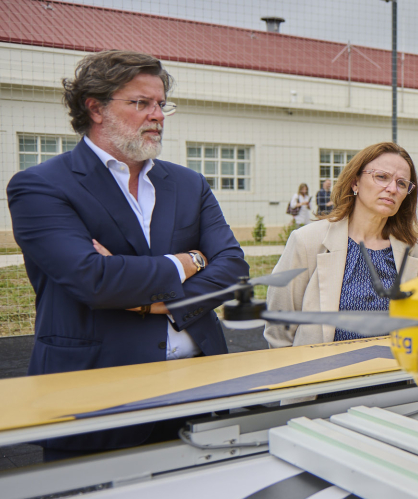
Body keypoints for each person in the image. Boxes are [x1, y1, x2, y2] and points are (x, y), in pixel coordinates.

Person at [7, 50, 247, 457]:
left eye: (160, 104)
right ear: (95, 108)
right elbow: (94, 280)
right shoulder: (40, 186)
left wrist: (152, 303)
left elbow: (235, 269)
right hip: (96, 393)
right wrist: (190, 261)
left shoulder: (188, 183)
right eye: (141, 103)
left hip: (200, 390)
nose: (157, 115)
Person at [266, 142, 418, 347]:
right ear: (355, 182)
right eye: (382, 177)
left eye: (402, 183)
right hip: (322, 374)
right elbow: (279, 328)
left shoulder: (413, 251)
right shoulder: (307, 242)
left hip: (393, 373)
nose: (392, 189)